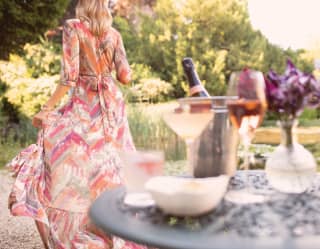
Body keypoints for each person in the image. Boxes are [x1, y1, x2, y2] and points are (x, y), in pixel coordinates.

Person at [7, 0, 149, 248]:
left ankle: (68, 228)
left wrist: (46, 108)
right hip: (112, 106)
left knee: (58, 162)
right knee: (109, 169)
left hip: (85, 105)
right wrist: (110, 61)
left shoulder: (74, 27)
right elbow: (125, 76)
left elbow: (69, 77)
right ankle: (117, 227)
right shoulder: (114, 35)